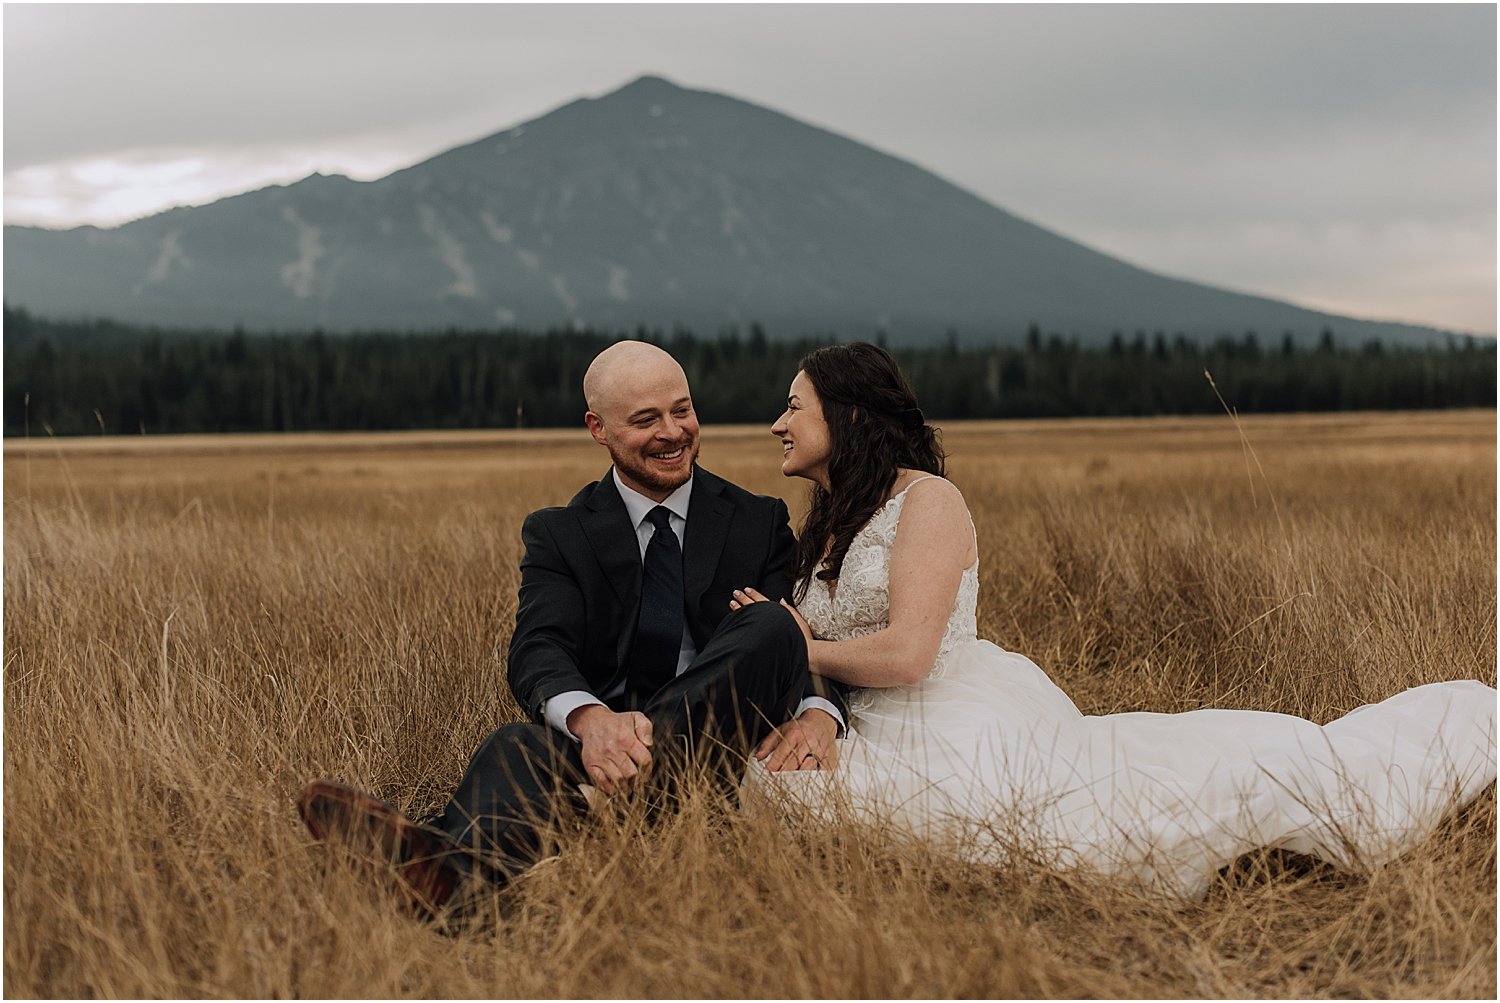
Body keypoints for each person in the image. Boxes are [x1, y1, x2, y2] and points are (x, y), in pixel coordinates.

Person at [737, 341, 1497, 899]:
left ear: (848, 413)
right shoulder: (830, 519)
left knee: (1087, 826)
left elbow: (908, 654)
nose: (777, 422)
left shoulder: (926, 501)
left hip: (947, 710)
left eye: (794, 405)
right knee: (780, 793)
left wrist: (805, 642)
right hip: (865, 721)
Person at [298, 340, 848, 916]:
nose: (673, 432)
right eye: (645, 420)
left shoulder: (758, 520)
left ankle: (439, 841)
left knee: (770, 624)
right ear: (598, 428)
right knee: (513, 747)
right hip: (600, 759)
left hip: (722, 749)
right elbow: (539, 647)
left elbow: (808, 638)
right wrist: (594, 724)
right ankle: (446, 884)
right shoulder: (559, 533)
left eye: (681, 410)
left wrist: (819, 714)